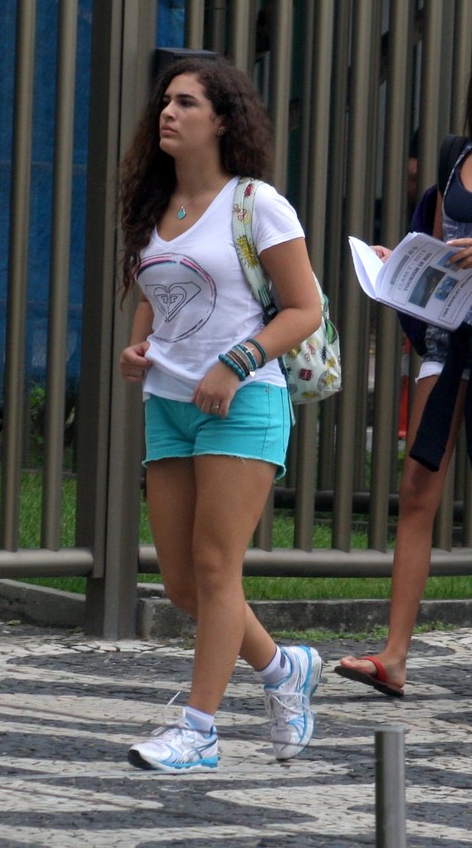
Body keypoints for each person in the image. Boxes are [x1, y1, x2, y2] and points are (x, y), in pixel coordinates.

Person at [118, 55, 323, 773]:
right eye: (165, 102)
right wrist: (138, 348)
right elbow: (157, 293)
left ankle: (199, 730)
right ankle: (283, 669)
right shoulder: (156, 204)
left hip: (245, 401)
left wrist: (234, 363)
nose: (168, 112)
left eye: (186, 102)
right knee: (183, 584)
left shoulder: (257, 203)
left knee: (214, 565)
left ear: (224, 119)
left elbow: (306, 308)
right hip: (168, 404)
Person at [337, 72, 472, 697]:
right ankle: (394, 656)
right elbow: (442, 246)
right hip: (448, 345)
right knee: (417, 489)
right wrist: (405, 265)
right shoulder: (456, 157)